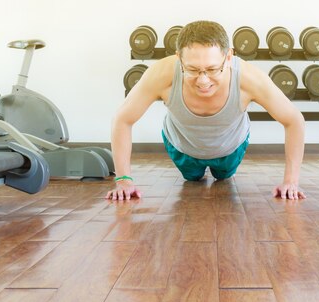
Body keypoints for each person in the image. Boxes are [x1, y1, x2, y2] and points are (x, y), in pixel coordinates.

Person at [106, 20, 306, 200]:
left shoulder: (249, 78)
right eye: (192, 69)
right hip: (181, 147)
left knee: (223, 177)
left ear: (228, 57)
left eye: (212, 69)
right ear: (179, 59)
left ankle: (222, 168)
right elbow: (122, 119)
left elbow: (294, 119)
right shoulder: (161, 73)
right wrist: (123, 179)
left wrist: (291, 181)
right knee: (192, 179)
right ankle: (194, 168)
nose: (203, 80)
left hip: (231, 148)